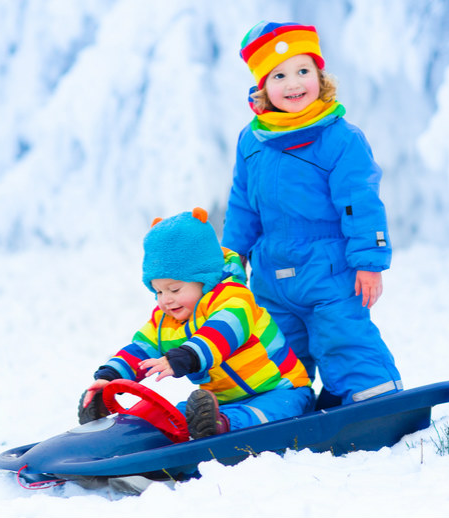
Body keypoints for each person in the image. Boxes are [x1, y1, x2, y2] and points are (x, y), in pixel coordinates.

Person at [221, 22, 402, 409]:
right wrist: (232, 257)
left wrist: (369, 262)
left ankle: (375, 404)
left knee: (343, 338)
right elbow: (241, 205)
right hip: (271, 274)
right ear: (262, 88)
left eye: (304, 71)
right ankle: (282, 410)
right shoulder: (251, 140)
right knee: (276, 350)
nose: (294, 83)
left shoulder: (340, 138)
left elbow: (359, 202)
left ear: (320, 77)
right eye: (280, 75)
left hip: (330, 269)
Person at [79, 208, 313, 439]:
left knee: (268, 413)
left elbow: (222, 332)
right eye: (158, 291)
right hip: (222, 403)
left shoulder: (234, 299)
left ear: (205, 279)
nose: (166, 300)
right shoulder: (167, 321)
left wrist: (186, 356)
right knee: (174, 414)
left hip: (281, 391)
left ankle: (222, 427)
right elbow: (141, 350)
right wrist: (110, 376)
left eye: (174, 289)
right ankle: (128, 432)